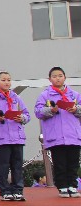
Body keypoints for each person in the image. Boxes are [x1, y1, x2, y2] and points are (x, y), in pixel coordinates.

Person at [0, 71, 31, 202]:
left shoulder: (16, 98)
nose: (7, 82)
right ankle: (4, 190)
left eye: (9, 80)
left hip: (17, 137)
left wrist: (22, 117)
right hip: (1, 139)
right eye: (3, 80)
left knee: (17, 165)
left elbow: (27, 115)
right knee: (2, 166)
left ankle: (18, 190)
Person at [34, 66, 81, 198]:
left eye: (60, 75)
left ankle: (73, 185)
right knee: (60, 163)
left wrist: (76, 109)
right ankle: (62, 187)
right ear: (50, 79)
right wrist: (51, 110)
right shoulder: (45, 95)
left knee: (73, 162)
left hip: (73, 134)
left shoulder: (74, 94)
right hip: (56, 135)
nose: (58, 78)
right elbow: (38, 111)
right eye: (54, 76)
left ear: (65, 77)